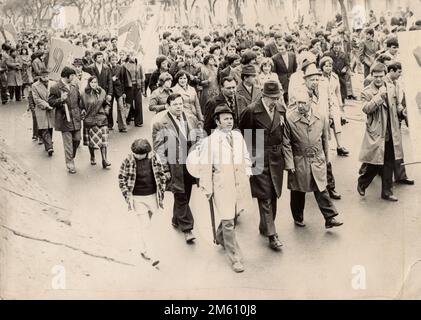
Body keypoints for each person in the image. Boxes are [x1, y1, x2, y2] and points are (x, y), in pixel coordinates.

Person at [283, 69, 343, 229]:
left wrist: (326, 159)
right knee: (298, 191)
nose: (300, 106)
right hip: (299, 160)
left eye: (303, 102)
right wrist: (289, 164)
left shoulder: (320, 116)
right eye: (297, 103)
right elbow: (286, 143)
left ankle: (330, 218)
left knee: (321, 188)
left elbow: (325, 138)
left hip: (317, 158)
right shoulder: (289, 119)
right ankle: (298, 216)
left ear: (311, 101)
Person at [198, 104, 253, 273]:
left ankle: (220, 236)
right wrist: (207, 188)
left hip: (239, 183)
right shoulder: (210, 141)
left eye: (231, 118)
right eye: (225, 119)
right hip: (221, 185)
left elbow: (245, 156)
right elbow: (205, 166)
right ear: (217, 121)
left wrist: (248, 171)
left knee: (233, 216)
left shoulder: (237, 136)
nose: (229, 122)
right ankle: (234, 257)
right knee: (229, 221)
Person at [239, 81, 286, 251]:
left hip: (276, 157)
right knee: (264, 195)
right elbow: (243, 134)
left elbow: (284, 134)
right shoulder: (251, 111)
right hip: (258, 156)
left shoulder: (280, 109)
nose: (275, 100)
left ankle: (265, 225)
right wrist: (248, 157)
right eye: (272, 98)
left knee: (273, 194)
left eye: (277, 97)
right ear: (263, 96)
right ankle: (272, 235)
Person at [152, 93, 201, 244]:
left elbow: (199, 135)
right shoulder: (160, 124)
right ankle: (187, 228)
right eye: (175, 104)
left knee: (186, 192)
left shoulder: (191, 118)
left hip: (190, 163)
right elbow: (159, 148)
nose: (179, 107)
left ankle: (176, 219)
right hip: (174, 165)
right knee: (180, 193)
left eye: (180, 104)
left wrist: (198, 146)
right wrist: (165, 169)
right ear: (168, 106)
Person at [357, 63, 405, 201]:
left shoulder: (392, 87)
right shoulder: (366, 91)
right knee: (374, 163)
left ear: (385, 75)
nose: (378, 79)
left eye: (381, 76)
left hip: (391, 129)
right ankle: (362, 182)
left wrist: (403, 112)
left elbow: (398, 106)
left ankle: (387, 192)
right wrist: (379, 97)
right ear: (371, 76)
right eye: (376, 76)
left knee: (389, 161)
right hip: (377, 132)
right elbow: (366, 109)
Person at [118, 138, 169, 267]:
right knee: (146, 225)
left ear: (147, 152)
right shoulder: (128, 160)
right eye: (136, 154)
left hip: (152, 197)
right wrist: (127, 195)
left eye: (141, 154)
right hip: (137, 198)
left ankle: (144, 248)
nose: (138, 156)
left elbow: (161, 175)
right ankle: (152, 255)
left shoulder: (154, 159)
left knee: (152, 224)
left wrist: (161, 191)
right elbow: (121, 178)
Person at [48, 67, 82, 174]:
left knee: (77, 140)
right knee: (68, 143)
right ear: (66, 76)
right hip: (64, 118)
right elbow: (50, 102)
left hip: (76, 117)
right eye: (72, 75)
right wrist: (60, 100)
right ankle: (70, 163)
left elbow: (79, 100)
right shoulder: (55, 87)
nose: (73, 77)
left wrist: (82, 110)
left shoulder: (74, 85)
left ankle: (71, 156)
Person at [318, 56, 349, 156]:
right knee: (325, 126)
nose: (328, 68)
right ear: (322, 67)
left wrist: (340, 106)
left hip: (334, 103)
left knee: (337, 125)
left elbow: (338, 93)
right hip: (323, 104)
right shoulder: (319, 78)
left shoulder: (335, 77)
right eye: (326, 66)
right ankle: (324, 148)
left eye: (330, 66)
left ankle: (339, 146)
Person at [81, 76, 112, 169]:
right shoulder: (84, 94)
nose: (94, 84)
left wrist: (107, 109)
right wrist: (82, 111)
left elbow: (106, 103)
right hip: (90, 119)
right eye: (92, 82)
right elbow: (81, 105)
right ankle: (92, 156)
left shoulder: (102, 92)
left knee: (104, 140)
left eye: (95, 82)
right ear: (89, 83)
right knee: (91, 141)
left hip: (101, 118)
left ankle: (104, 160)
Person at [83, 52, 113, 129]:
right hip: (94, 91)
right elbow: (84, 69)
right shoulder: (91, 67)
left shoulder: (106, 68)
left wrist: (110, 93)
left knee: (106, 108)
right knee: (96, 108)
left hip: (104, 91)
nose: (101, 58)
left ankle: (107, 125)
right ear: (95, 58)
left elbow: (110, 81)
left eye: (102, 57)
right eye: (99, 57)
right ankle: (96, 125)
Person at [32, 69, 54, 156]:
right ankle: (50, 147)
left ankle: (49, 144)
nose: (46, 78)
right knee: (44, 128)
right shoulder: (35, 86)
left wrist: (52, 103)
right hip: (41, 109)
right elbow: (36, 99)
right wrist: (46, 105)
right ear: (40, 77)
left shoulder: (52, 83)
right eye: (44, 77)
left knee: (50, 127)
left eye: (47, 76)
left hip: (51, 108)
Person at [122, 51, 144, 127]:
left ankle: (138, 121)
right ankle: (128, 118)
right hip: (129, 86)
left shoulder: (139, 65)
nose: (133, 56)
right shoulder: (125, 66)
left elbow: (142, 77)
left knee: (138, 103)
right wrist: (123, 90)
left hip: (137, 86)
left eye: (134, 54)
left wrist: (143, 88)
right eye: (131, 55)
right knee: (129, 104)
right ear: (128, 56)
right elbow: (123, 78)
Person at [109, 53, 128, 132]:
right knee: (109, 107)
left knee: (121, 107)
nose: (114, 61)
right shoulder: (107, 68)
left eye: (115, 60)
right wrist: (111, 79)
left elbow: (123, 80)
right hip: (110, 89)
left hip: (119, 89)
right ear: (109, 60)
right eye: (112, 60)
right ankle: (109, 125)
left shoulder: (120, 67)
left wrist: (123, 92)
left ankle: (122, 126)